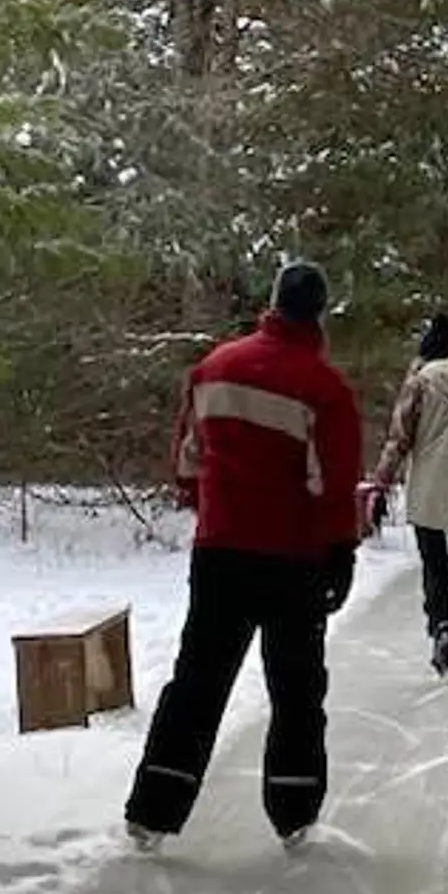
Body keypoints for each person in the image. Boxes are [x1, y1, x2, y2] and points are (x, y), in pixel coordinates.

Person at [124, 257, 363, 849]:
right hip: (293, 559)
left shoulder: (215, 368)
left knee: (198, 680)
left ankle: (153, 811)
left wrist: (211, 506)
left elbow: (187, 461)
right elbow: (334, 483)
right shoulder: (324, 387)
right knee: (296, 688)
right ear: (320, 313)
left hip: (221, 553)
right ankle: (293, 810)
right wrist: (341, 551)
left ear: (273, 302)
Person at [371, 312, 448, 680]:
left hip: (428, 480)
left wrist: (382, 481)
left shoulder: (421, 382)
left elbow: (400, 437)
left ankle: (441, 625)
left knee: (434, 563)